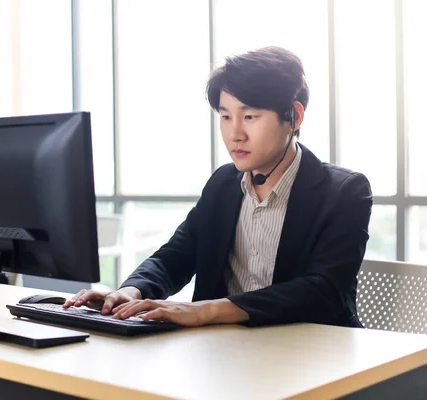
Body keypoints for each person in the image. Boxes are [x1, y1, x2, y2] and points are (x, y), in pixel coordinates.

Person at [64, 46, 373, 328]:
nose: (235, 133)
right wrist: (131, 291)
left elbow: (322, 290)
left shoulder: (345, 192)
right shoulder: (224, 184)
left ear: (294, 116)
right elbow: (177, 255)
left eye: (250, 116)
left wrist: (206, 311)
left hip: (313, 354)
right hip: (223, 351)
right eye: (225, 116)